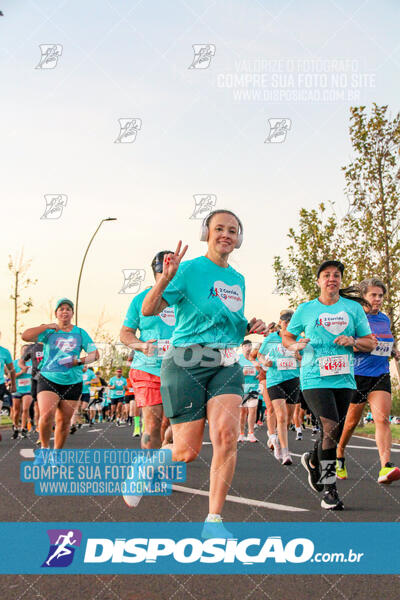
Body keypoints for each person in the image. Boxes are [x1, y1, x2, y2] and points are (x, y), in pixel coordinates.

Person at [140, 210, 267, 536]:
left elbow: (232, 325)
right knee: (186, 452)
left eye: (233, 230)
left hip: (226, 364)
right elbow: (149, 309)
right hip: (185, 363)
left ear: (239, 238)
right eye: (219, 228)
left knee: (226, 436)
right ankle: (148, 463)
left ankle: (213, 521)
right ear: (206, 233)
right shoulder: (189, 270)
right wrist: (166, 278)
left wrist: (250, 326)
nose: (226, 234)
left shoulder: (238, 279)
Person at [282, 260, 376, 510]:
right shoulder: (305, 309)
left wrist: (353, 341)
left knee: (331, 431)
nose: (331, 278)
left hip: (344, 378)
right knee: (330, 426)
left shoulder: (353, 309)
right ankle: (329, 489)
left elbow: (370, 343)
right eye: (326, 275)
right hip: (314, 377)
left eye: (336, 275)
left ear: (340, 281)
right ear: (319, 281)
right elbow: (287, 336)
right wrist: (294, 346)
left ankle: (313, 461)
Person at [337, 277, 400, 484]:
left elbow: (385, 341)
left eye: (380, 295)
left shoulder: (385, 319)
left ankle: (385, 467)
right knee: (351, 422)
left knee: (382, 419)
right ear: (363, 297)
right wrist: (363, 345)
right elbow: (347, 345)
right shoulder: (354, 319)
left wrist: (393, 350)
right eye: (373, 295)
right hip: (357, 375)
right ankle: (339, 453)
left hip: (380, 374)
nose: (378, 299)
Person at [22, 298, 98, 452]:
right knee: (46, 415)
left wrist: (77, 361)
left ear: (72, 313)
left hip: (73, 381)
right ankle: (44, 448)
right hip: (49, 378)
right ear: (56, 313)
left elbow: (95, 355)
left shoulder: (80, 333)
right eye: (61, 309)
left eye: (68, 309)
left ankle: (56, 454)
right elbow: (26, 336)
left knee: (64, 422)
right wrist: (46, 326)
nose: (65, 311)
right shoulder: (49, 332)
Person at [120, 250, 176, 451]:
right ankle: (149, 472)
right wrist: (141, 346)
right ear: (158, 271)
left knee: (169, 424)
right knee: (152, 424)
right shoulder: (140, 300)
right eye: (167, 269)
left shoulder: (184, 299)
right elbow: (126, 334)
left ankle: (160, 456)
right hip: (148, 369)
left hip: (179, 370)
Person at [258, 310, 301, 465]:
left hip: (293, 379)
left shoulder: (299, 339)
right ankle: (285, 452)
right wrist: (265, 362)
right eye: (285, 321)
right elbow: (260, 355)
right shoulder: (271, 338)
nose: (287, 324)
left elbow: (306, 358)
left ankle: (276, 439)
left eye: (290, 321)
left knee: (288, 418)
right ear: (280, 322)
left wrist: (299, 357)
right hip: (275, 380)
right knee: (281, 416)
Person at [238, 340, 259, 442]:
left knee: (253, 410)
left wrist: (260, 374)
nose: (248, 347)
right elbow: (234, 373)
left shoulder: (254, 359)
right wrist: (241, 373)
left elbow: (261, 371)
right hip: (242, 388)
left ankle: (251, 433)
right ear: (242, 348)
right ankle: (241, 434)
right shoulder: (238, 359)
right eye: (246, 346)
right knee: (242, 412)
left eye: (250, 345)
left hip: (253, 387)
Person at [20, 341, 43, 434]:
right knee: (34, 406)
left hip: (48, 379)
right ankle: (28, 425)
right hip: (34, 381)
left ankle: (39, 426)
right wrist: (23, 368)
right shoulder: (33, 348)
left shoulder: (54, 345)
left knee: (38, 406)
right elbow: (20, 363)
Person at [12, 351, 33, 438]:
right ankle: (16, 427)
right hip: (17, 389)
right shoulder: (15, 363)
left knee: (25, 409)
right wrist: (21, 372)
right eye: (24, 351)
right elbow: (11, 376)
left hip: (28, 389)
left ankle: (23, 428)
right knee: (16, 411)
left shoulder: (33, 362)